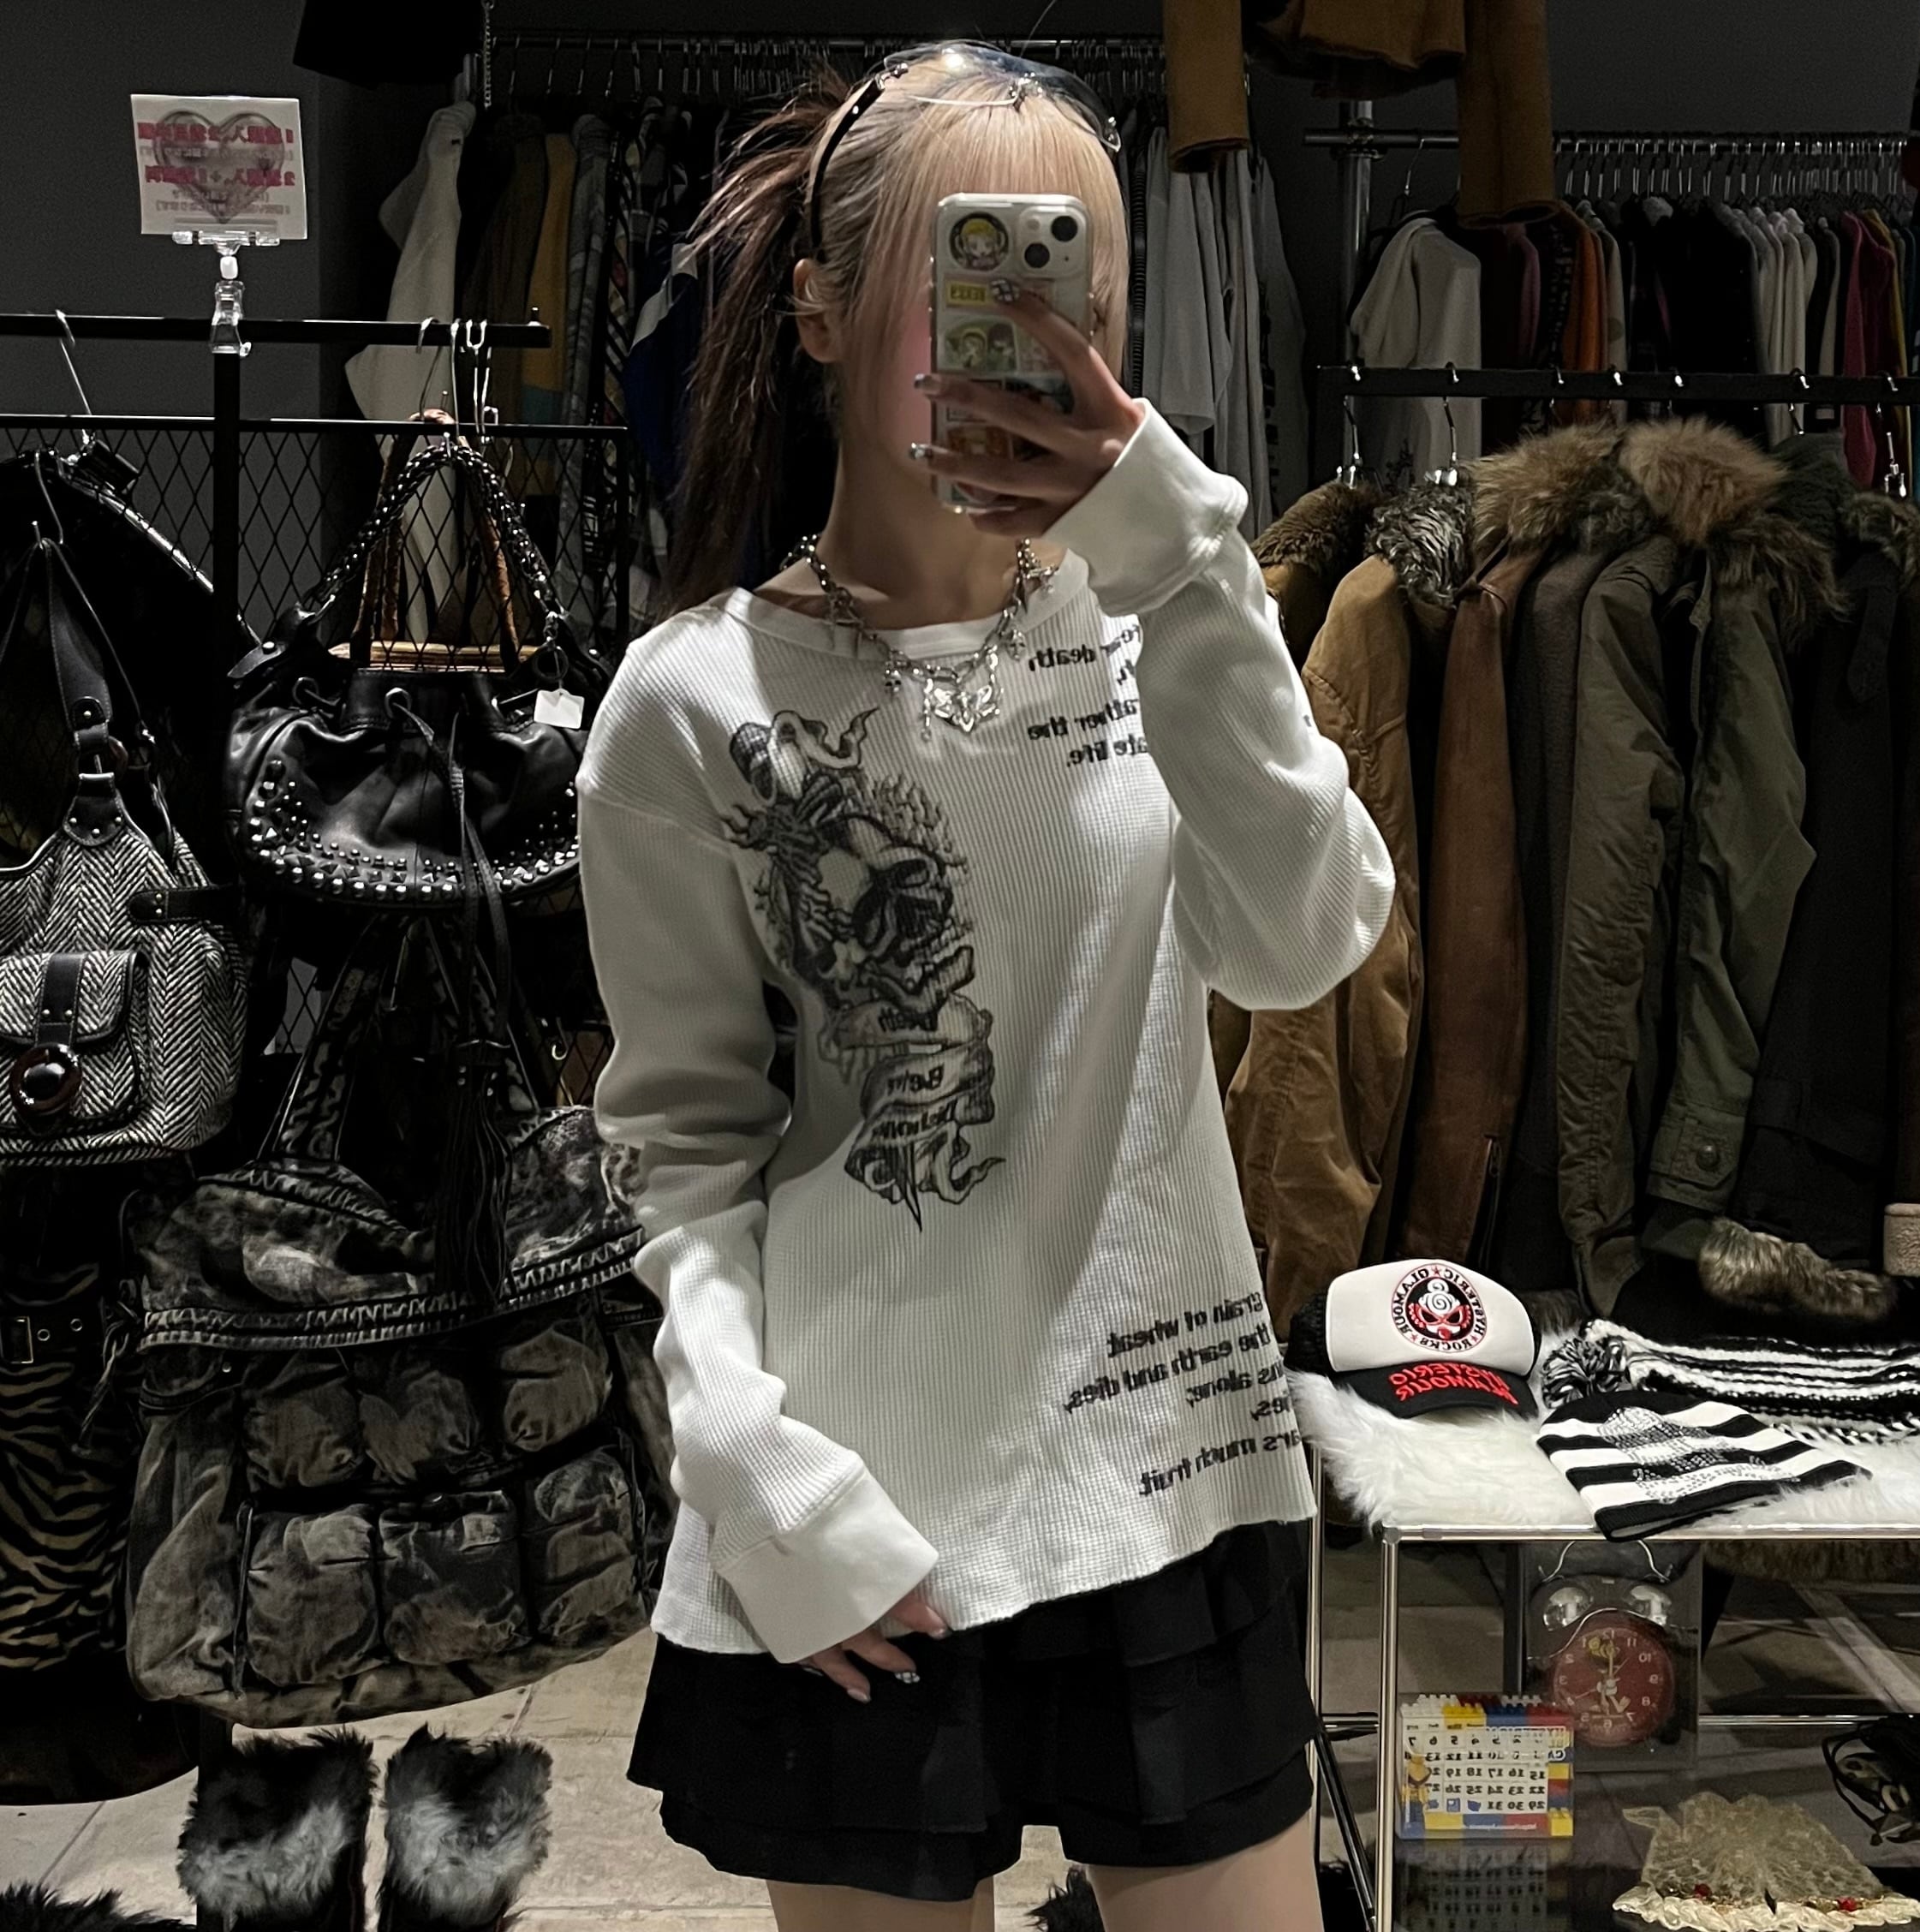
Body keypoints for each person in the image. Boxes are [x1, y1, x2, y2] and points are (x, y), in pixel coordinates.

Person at [577, 41, 1393, 1932]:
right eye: (978, 271)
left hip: (1169, 1454)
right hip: (856, 1482)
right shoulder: (693, 700)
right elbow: (678, 1139)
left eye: (1070, 282)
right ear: (816, 308)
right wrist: (745, 1459)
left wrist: (1185, 560)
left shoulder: (1167, 618)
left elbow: (1305, 939)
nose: (1031, 331)